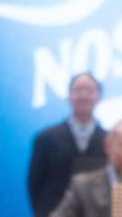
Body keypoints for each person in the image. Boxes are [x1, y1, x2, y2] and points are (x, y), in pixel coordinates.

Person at [28, 72, 109, 217]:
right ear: (69, 95)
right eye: (78, 90)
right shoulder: (46, 138)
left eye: (89, 90)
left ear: (98, 96)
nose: (83, 95)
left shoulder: (110, 140)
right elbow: (35, 184)